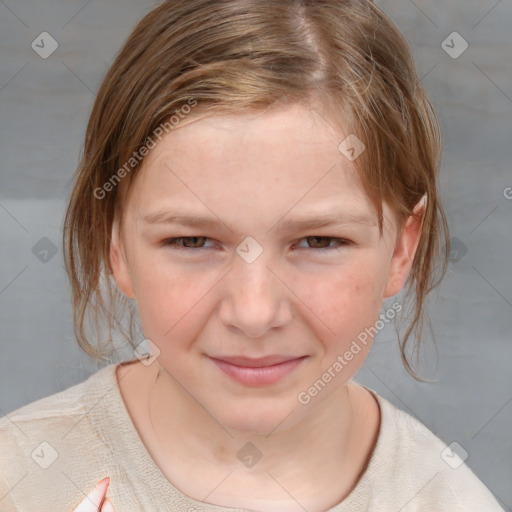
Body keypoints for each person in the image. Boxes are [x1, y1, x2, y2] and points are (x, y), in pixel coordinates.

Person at [0, 1, 505, 511]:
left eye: (318, 242)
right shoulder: (19, 480)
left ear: (401, 247)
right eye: (192, 242)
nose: (254, 313)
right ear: (117, 245)